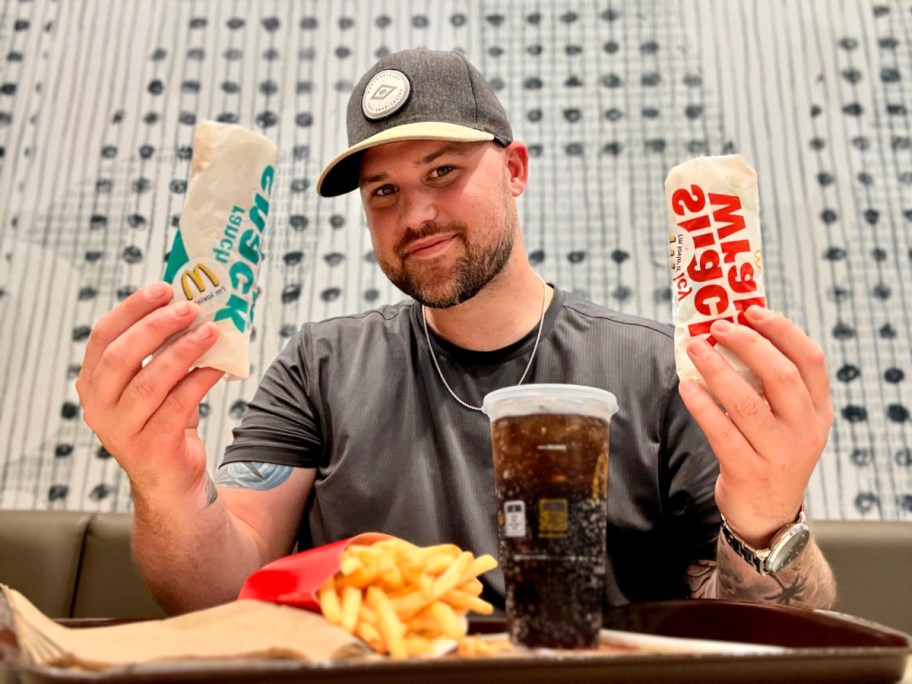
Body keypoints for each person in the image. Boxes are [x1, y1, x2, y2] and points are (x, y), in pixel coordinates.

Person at [76, 48, 836, 615]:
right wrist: (165, 484)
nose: (415, 215)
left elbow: (762, 631)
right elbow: (218, 593)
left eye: (443, 171)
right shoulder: (319, 364)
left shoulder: (657, 370)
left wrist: (768, 525)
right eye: (384, 191)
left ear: (515, 169)